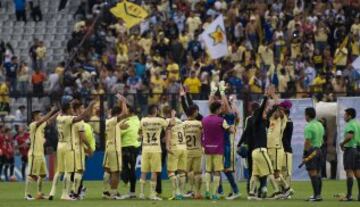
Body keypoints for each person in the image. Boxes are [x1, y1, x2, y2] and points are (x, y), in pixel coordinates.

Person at [48, 100, 95, 200]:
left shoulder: (59, 117)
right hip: (70, 146)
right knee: (70, 172)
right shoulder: (70, 119)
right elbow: (81, 117)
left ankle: (52, 192)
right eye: (70, 107)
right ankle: (66, 194)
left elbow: (54, 116)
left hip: (60, 145)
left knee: (59, 171)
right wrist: (90, 106)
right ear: (68, 109)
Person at [247, 86, 276, 200]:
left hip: (256, 151)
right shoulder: (257, 120)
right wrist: (265, 96)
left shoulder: (262, 122)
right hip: (260, 149)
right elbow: (262, 109)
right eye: (263, 112)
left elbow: (272, 110)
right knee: (270, 171)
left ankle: (251, 193)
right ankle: (278, 191)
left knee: (255, 174)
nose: (266, 113)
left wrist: (272, 97)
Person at [202, 101, 234, 200]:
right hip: (218, 149)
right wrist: (232, 127)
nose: (221, 110)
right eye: (220, 108)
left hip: (207, 148)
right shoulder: (221, 120)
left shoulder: (204, 120)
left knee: (207, 170)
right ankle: (215, 193)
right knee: (216, 171)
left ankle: (207, 190)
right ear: (217, 110)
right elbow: (230, 130)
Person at [24, 108, 58, 200]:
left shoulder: (41, 125)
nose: (41, 116)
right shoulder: (32, 125)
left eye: (41, 115)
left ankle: (39, 193)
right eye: (40, 115)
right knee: (32, 175)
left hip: (40, 154)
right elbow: (44, 120)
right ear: (35, 117)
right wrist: (51, 111)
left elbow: (49, 121)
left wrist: (58, 113)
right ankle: (27, 194)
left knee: (42, 175)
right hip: (34, 154)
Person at [139, 105, 169, 200]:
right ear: (156, 111)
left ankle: (141, 193)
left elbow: (139, 133)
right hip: (156, 148)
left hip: (145, 148)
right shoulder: (159, 120)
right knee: (154, 172)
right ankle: (152, 194)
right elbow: (169, 124)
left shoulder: (143, 120)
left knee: (143, 171)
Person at [102, 95, 128, 200]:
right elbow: (125, 113)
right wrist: (124, 101)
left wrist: (120, 103)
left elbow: (116, 113)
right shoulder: (113, 120)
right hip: (114, 148)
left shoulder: (108, 120)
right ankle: (113, 194)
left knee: (108, 170)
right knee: (116, 172)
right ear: (117, 115)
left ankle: (105, 192)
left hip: (108, 147)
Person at [163, 107, 187, 200]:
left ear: (166, 114)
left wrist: (167, 146)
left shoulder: (168, 121)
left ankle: (175, 193)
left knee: (171, 171)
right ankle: (181, 193)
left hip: (174, 147)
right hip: (183, 147)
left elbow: (168, 132)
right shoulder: (180, 121)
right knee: (181, 171)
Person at [71, 102, 93, 199]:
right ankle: (76, 192)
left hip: (70, 148)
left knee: (73, 171)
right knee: (78, 171)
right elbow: (82, 137)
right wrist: (89, 147)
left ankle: (76, 190)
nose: (83, 110)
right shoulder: (79, 121)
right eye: (82, 108)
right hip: (78, 148)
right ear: (77, 109)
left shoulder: (69, 119)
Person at [118, 104, 141, 200]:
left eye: (126, 110)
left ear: (130, 112)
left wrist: (118, 127)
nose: (125, 112)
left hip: (127, 147)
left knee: (126, 169)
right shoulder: (138, 120)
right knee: (131, 169)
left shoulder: (127, 121)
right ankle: (132, 192)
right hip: (135, 147)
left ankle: (130, 189)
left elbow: (118, 132)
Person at [303, 107, 325, 202]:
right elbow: (322, 139)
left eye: (305, 114)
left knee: (312, 173)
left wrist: (305, 154)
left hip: (312, 151)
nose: (305, 117)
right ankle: (318, 194)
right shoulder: (320, 125)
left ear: (307, 115)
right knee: (317, 173)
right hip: (319, 150)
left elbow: (307, 142)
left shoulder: (308, 126)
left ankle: (316, 196)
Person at [339, 108, 360, 201]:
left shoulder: (350, 124)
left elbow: (350, 136)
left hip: (350, 150)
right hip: (358, 149)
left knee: (349, 172)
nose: (344, 116)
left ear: (349, 116)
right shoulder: (357, 123)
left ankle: (349, 195)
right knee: (357, 173)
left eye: (345, 114)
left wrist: (342, 143)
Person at [183, 105, 203, 199]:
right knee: (197, 173)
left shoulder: (183, 124)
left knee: (188, 172)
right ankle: (197, 193)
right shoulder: (199, 124)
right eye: (197, 111)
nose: (198, 113)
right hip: (197, 150)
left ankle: (189, 190)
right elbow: (204, 135)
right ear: (194, 112)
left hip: (187, 151)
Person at [279, 101, 294, 189]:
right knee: (280, 172)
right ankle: (283, 190)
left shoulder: (288, 122)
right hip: (281, 150)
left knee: (287, 172)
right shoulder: (283, 122)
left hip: (287, 150)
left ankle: (287, 190)